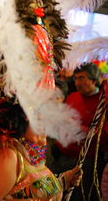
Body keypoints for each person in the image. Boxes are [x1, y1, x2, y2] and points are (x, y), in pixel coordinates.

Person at [0, 101, 82, 200]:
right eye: (38, 118)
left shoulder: (33, 152)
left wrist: (62, 182)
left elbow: (29, 190)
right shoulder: (6, 158)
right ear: (22, 120)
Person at [53, 63, 107, 201]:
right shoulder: (72, 96)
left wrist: (78, 128)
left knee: (77, 196)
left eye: (81, 78)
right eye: (76, 78)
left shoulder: (103, 102)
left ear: (94, 80)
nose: (77, 83)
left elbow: (104, 134)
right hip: (62, 157)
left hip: (84, 161)